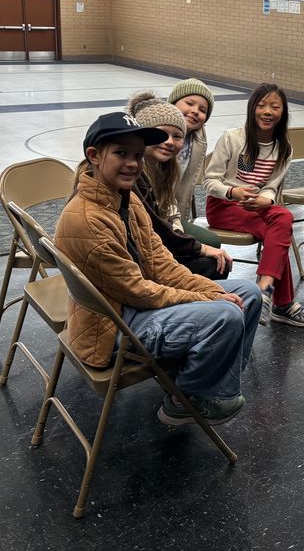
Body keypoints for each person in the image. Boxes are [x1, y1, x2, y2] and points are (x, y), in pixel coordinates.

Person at [54, 112, 261, 427]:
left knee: (249, 293)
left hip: (135, 307)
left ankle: (209, 385)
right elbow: (137, 292)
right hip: (113, 326)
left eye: (138, 155)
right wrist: (207, 298)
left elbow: (162, 264)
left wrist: (208, 290)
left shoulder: (126, 198)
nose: (133, 163)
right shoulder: (88, 220)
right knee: (226, 315)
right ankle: (186, 399)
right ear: (94, 156)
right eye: (121, 153)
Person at [204, 83, 304, 328]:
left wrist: (266, 199)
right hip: (223, 206)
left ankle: (266, 292)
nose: (267, 111)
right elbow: (210, 181)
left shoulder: (284, 148)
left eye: (275, 107)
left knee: (281, 222)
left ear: (283, 112)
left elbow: (271, 186)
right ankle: (279, 301)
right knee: (281, 228)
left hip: (256, 207)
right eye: (261, 105)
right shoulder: (233, 138)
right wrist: (233, 192)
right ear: (252, 108)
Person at [126, 90, 232, 281]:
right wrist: (195, 248)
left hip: (160, 236)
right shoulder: (133, 173)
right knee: (212, 263)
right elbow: (153, 226)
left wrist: (178, 232)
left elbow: (170, 206)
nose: (169, 142)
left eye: (177, 136)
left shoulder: (167, 166)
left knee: (215, 260)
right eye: (161, 134)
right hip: (141, 249)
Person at [167, 78, 219, 246]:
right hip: (151, 213)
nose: (195, 111)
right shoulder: (158, 136)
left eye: (202, 110)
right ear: (172, 103)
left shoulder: (197, 139)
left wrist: (178, 222)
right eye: (189, 103)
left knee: (211, 242)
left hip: (174, 215)